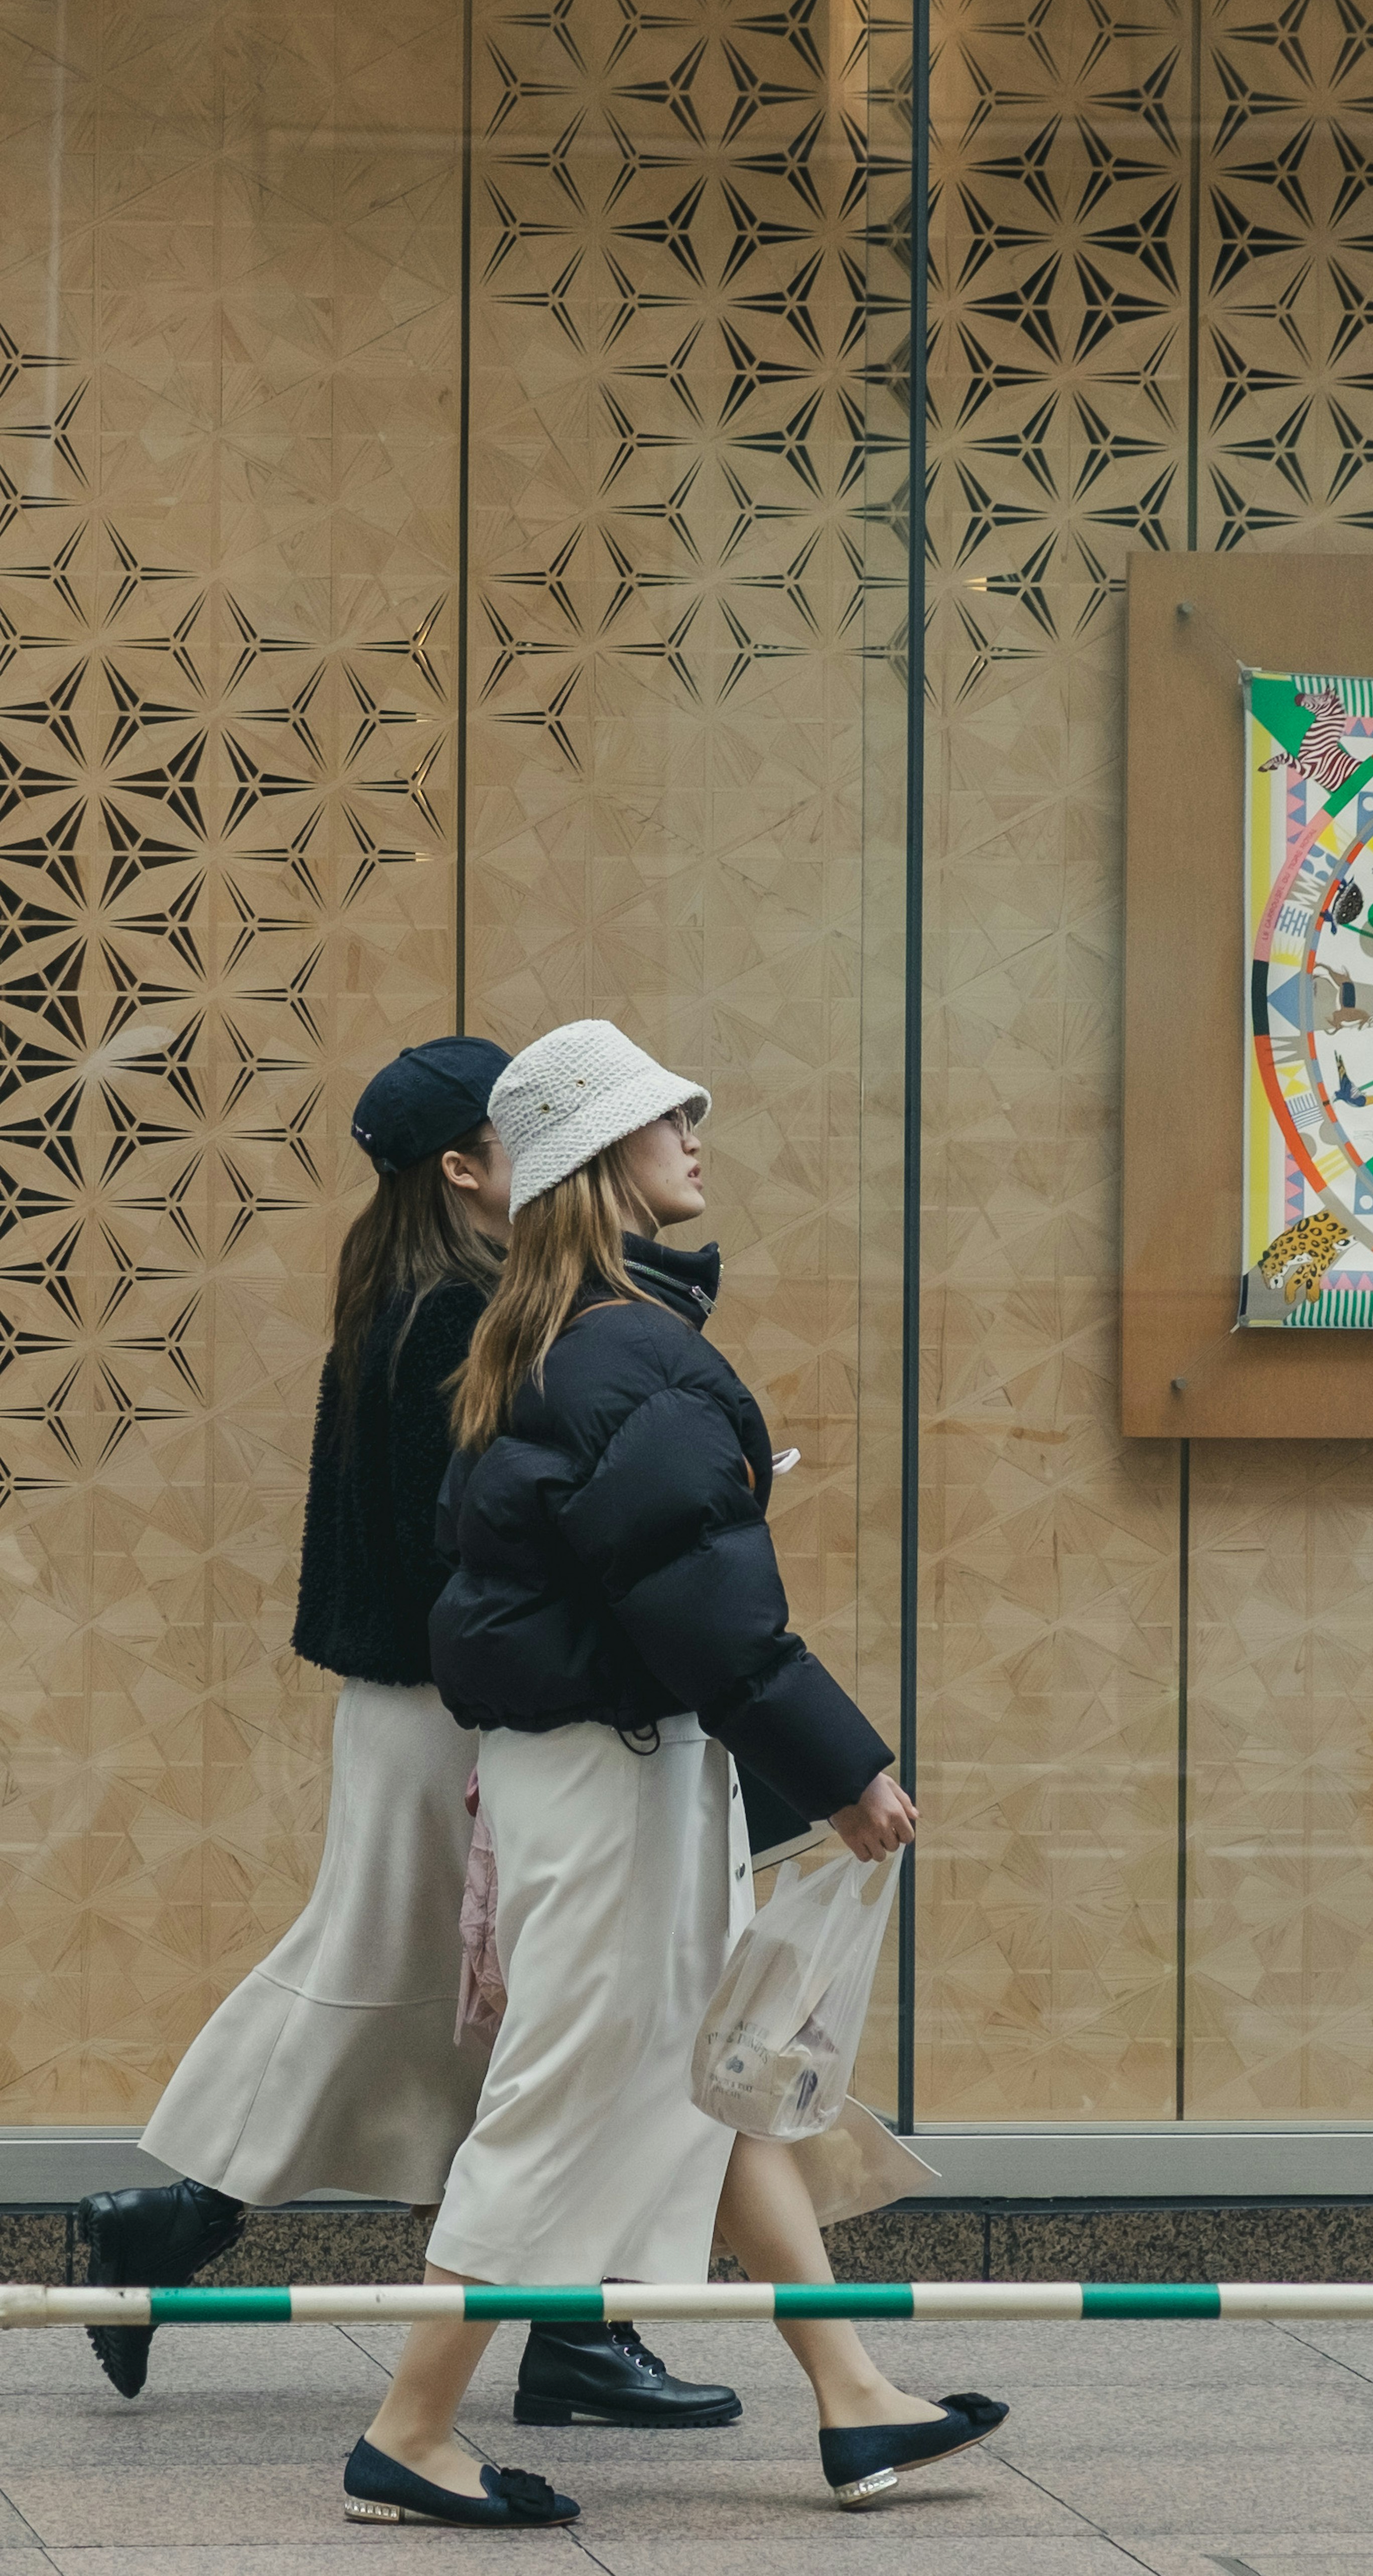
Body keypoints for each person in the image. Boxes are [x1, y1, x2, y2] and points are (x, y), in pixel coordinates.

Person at [339, 1021, 1006, 2529]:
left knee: (721, 2086)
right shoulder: (633, 1352)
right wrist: (850, 1774)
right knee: (563, 2094)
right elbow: (706, 1602)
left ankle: (854, 2402)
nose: (696, 1138)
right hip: (614, 1782)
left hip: (600, 1774)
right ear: (597, 1163)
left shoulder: (551, 1335)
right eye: (665, 1122)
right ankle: (410, 2429)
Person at [80, 1038, 738, 2438]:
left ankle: (556, 2321)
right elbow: (503, 1541)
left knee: (458, 2008)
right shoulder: (460, 1314)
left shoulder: (423, 1297)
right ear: (464, 1166)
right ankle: (550, 2325)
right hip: (464, 1717)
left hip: (429, 1708)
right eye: (526, 1134)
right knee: (486, 2005)